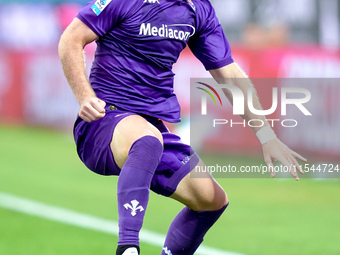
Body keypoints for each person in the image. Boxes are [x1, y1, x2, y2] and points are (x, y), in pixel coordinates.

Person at [58, 0, 306, 254]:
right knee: (147, 139)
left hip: (151, 126)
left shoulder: (199, 10)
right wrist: (85, 97)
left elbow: (229, 75)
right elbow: (71, 38)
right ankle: (128, 247)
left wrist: (266, 135)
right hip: (103, 121)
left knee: (211, 201)